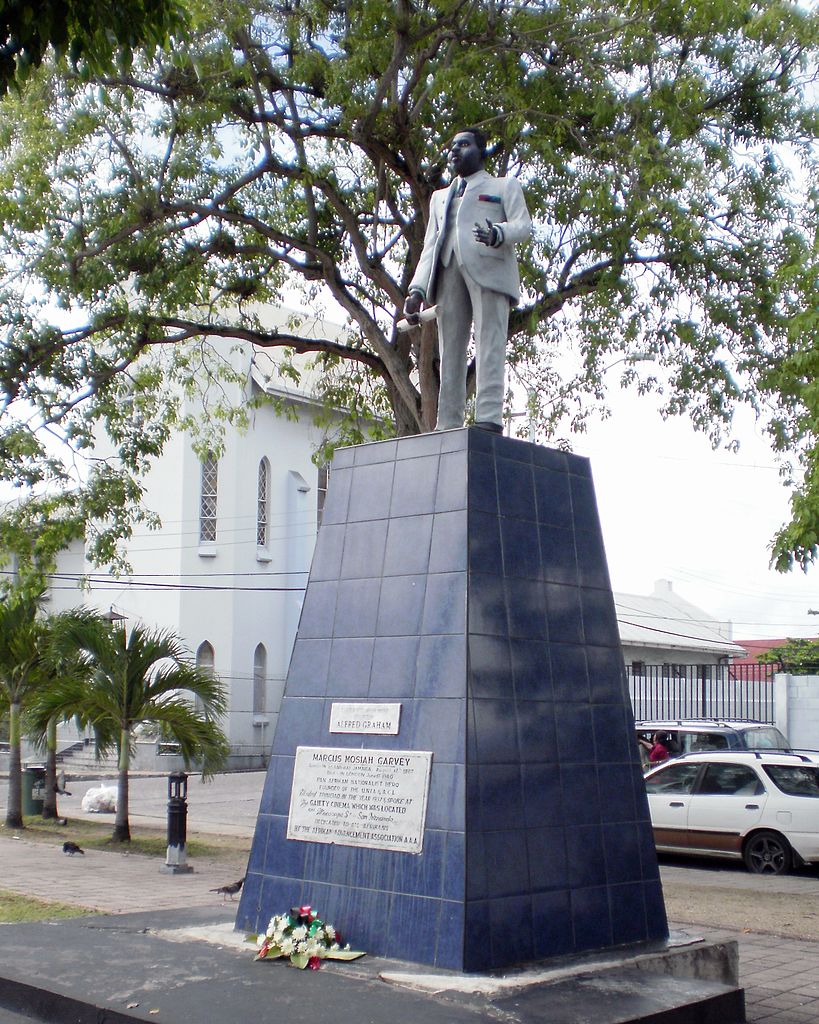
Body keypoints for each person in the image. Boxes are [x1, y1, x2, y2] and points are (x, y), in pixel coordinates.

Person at [403, 128, 532, 433]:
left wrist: (498, 233)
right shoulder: (439, 198)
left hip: (489, 270)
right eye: (452, 147)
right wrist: (417, 290)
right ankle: (447, 422)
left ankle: (488, 417)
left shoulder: (503, 186)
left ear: (481, 151)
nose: (455, 151)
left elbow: (523, 226)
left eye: (464, 145)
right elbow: (431, 245)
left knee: (489, 343)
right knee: (450, 350)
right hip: (448, 270)